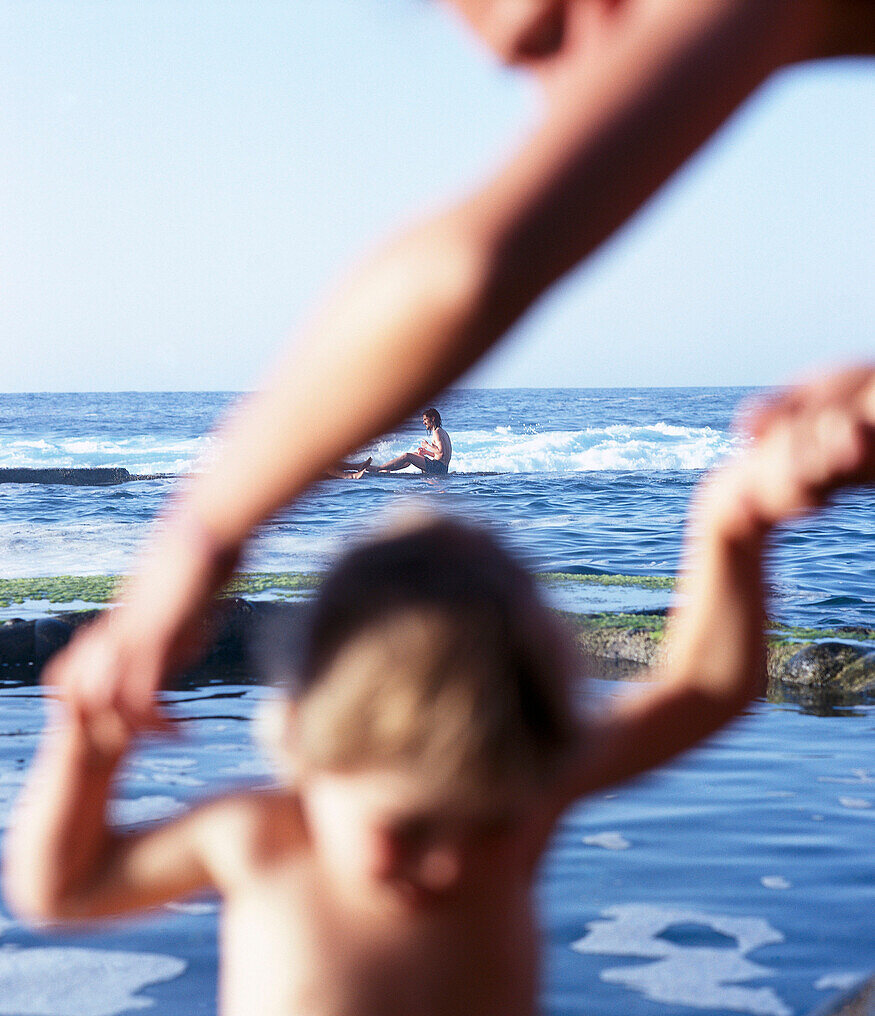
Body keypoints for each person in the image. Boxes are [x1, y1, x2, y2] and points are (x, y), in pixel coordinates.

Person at [41, 0, 875, 764]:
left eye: (549, 34)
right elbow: (702, 694)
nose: (562, 102)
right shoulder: (523, 792)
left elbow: (464, 270)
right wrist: (734, 516)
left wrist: (195, 544)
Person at [7, 369, 875, 1016]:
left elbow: (705, 690)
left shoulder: (511, 799)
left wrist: (734, 517)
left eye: (479, 823)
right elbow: (63, 890)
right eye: (400, 829)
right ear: (301, 746)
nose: (449, 863)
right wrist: (88, 725)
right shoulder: (262, 837)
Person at [371, 408, 452, 475]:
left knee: (407, 456)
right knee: (415, 454)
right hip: (442, 468)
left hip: (437, 468)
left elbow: (441, 453)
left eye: (425, 420)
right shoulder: (442, 432)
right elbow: (441, 456)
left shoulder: (437, 432)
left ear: (433, 419)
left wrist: (427, 445)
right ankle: (388, 469)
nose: (423, 422)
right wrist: (426, 452)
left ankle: (378, 468)